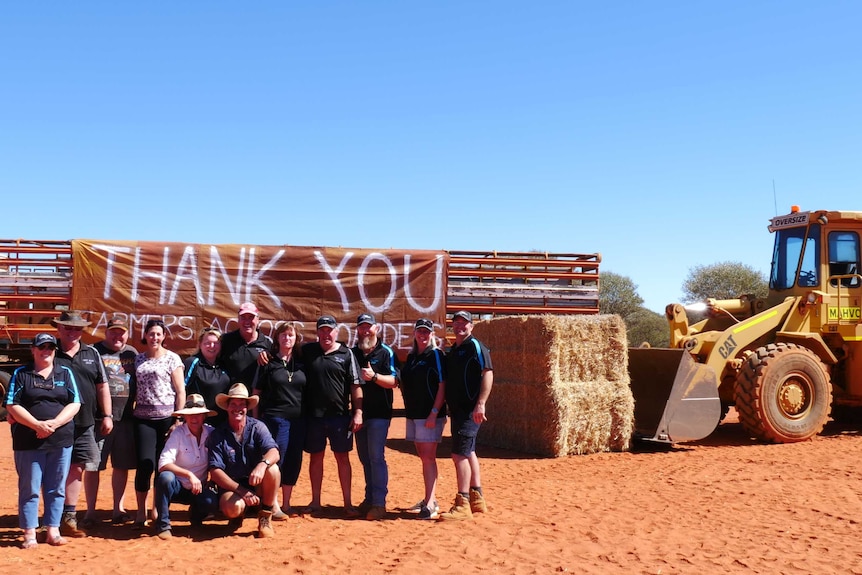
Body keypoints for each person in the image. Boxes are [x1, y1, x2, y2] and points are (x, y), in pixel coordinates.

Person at [5, 333, 81, 549]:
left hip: (60, 440)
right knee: (29, 487)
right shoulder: (22, 373)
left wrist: (54, 424)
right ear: (33, 350)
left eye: (50, 347)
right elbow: (12, 404)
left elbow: (74, 403)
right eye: (41, 347)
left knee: (56, 487)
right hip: (29, 441)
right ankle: (29, 532)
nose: (46, 350)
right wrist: (37, 425)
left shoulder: (65, 373)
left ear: (55, 350)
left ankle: (53, 530)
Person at [52, 310, 111, 538]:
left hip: (85, 421)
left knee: (77, 467)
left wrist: (106, 415)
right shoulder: (50, 351)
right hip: (55, 421)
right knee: (55, 470)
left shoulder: (92, 353)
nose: (73, 332)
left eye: (78, 328)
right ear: (59, 328)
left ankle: (69, 516)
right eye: (69, 327)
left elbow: (102, 386)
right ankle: (52, 518)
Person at [302, 315, 362, 516]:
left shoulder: (347, 354)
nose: (326, 334)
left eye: (330, 330)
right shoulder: (308, 352)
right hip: (314, 417)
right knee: (315, 458)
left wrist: (358, 412)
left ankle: (348, 503)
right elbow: (283, 351)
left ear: (337, 332)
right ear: (317, 332)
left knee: (342, 458)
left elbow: (355, 385)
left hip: (340, 416)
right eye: (322, 330)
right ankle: (315, 501)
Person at [438, 310, 493, 521]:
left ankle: (462, 503)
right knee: (468, 451)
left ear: (471, 325)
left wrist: (481, 404)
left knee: (458, 454)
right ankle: (477, 498)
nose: (460, 326)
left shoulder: (475, 346)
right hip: (458, 410)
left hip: (470, 409)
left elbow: (487, 372)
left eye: (464, 323)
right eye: (457, 322)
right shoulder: (454, 350)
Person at [131, 318, 186, 530]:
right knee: (145, 465)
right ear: (145, 336)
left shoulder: (173, 359)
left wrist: (177, 419)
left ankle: (157, 510)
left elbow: (180, 390)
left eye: (158, 334)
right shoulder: (138, 360)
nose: (154, 337)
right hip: (143, 419)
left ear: (164, 336)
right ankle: (140, 512)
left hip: (166, 419)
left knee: (162, 466)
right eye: (151, 333)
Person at [207, 383, 280, 538]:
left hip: (257, 484)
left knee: (273, 469)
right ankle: (238, 516)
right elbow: (215, 471)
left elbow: (274, 452)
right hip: (232, 488)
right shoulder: (218, 434)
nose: (237, 408)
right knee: (232, 508)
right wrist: (241, 491)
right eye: (233, 404)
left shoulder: (258, 427)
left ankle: (265, 516)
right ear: (227, 407)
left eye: (242, 404)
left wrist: (262, 465)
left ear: (247, 407)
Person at [252, 322, 307, 519]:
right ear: (277, 339)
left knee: (294, 460)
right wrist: (256, 420)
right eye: (283, 335)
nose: (287, 339)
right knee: (276, 459)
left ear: (296, 339)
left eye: (291, 335)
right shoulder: (268, 362)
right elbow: (256, 393)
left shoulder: (302, 362)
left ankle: (286, 503)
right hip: (275, 418)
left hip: (298, 420)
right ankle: (272, 503)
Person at [87, 316, 138, 526]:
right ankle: (90, 512)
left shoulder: (132, 354)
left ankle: (118, 508)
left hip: (126, 419)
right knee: (93, 466)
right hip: (100, 419)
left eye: (122, 332)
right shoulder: (93, 351)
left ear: (127, 333)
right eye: (113, 331)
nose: (118, 336)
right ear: (106, 332)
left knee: (122, 465)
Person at [351, 313, 399, 520]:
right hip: (359, 415)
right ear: (358, 330)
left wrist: (375, 377)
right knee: (365, 459)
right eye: (362, 327)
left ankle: (379, 503)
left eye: (369, 327)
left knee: (376, 457)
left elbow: (395, 381)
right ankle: (369, 499)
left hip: (380, 414)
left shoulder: (386, 351)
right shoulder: (353, 353)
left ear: (376, 329)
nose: (365, 330)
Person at [399, 318, 447, 520]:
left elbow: (443, 385)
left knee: (428, 457)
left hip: (430, 415)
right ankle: (429, 497)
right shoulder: (411, 357)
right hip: (414, 414)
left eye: (427, 332)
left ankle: (430, 503)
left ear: (432, 335)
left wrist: (434, 412)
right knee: (423, 456)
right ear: (415, 334)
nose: (423, 335)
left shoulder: (436, 355)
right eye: (420, 331)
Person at [154, 394, 218, 540]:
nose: (194, 419)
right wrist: (189, 474)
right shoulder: (177, 434)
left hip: (199, 488)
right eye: (190, 415)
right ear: (185, 417)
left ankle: (196, 517)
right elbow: (163, 464)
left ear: (204, 416)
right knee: (165, 478)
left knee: (211, 501)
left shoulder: (212, 433)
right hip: (177, 486)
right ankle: (163, 524)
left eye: (198, 415)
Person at [219, 302, 273, 392]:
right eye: (243, 318)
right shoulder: (226, 340)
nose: (247, 321)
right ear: (238, 320)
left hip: (257, 399)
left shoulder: (267, 344)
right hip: (231, 400)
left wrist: (269, 355)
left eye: (251, 317)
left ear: (258, 319)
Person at [184, 327, 231, 427]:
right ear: (200, 344)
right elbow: (181, 389)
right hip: (200, 422)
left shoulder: (224, 364)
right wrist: (179, 418)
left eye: (216, 343)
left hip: (223, 422)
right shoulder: (193, 362)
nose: (212, 346)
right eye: (207, 343)